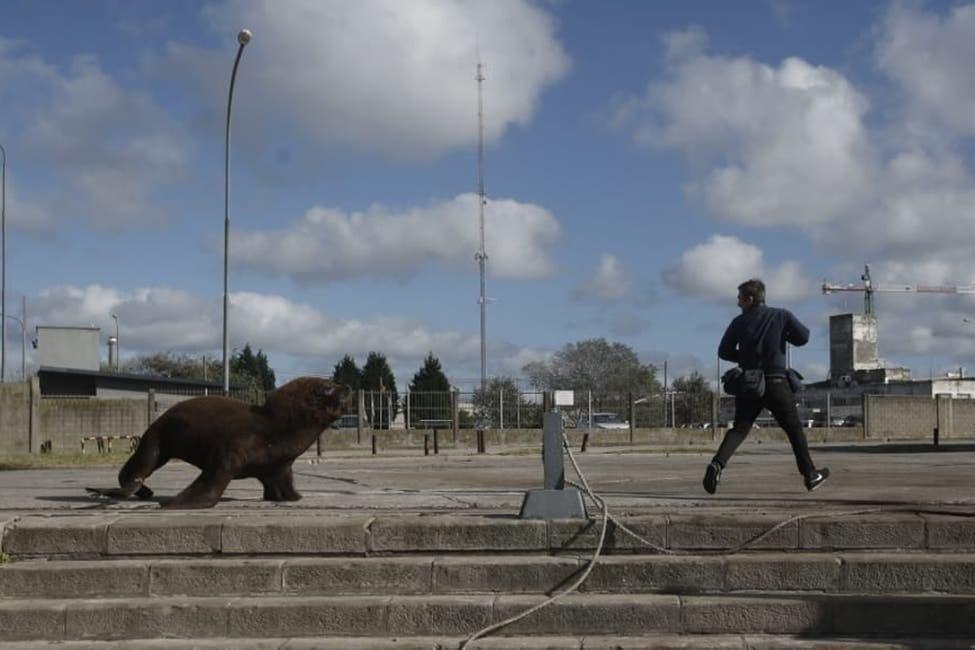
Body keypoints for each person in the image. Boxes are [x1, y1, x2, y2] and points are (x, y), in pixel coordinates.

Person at [704, 278, 829, 494]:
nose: (737, 303)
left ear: (750, 299)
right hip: (776, 382)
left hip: (749, 383)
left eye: (739, 298)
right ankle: (810, 475)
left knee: (740, 429)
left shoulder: (738, 322)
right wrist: (782, 337)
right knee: (794, 430)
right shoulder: (781, 315)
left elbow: (723, 352)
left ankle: (716, 464)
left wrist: (745, 357)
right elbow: (804, 337)